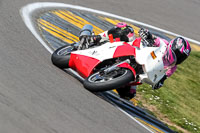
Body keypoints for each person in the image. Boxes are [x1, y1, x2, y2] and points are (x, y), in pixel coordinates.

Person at [92, 22, 191, 100]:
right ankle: (96, 38)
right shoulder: (163, 44)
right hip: (134, 52)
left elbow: (163, 78)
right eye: (178, 54)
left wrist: (159, 82)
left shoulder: (172, 67)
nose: (178, 58)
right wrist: (146, 34)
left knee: (129, 95)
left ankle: (107, 77)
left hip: (139, 70)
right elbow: (153, 38)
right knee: (126, 30)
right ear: (171, 47)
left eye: (181, 58)